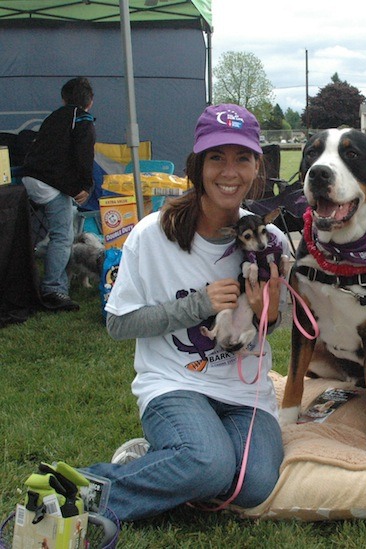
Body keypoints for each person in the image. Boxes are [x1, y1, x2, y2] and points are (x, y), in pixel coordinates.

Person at [80, 104, 289, 522]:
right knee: (208, 463)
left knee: (254, 484)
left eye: (242, 158)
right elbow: (118, 323)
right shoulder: (152, 235)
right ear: (197, 164)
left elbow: (272, 324)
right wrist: (198, 305)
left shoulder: (272, 242)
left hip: (244, 393)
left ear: (256, 167)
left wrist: (268, 308)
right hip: (175, 383)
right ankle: (86, 493)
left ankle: (160, 463)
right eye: (217, 158)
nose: (230, 172)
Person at [22, 77, 96, 312]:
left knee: (60, 230)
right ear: (90, 102)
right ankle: (53, 288)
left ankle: (45, 268)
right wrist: (85, 186)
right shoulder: (82, 120)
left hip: (30, 178)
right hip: (49, 182)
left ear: (64, 99)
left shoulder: (54, 117)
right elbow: (84, 155)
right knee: (63, 237)